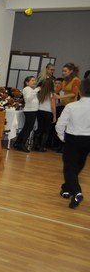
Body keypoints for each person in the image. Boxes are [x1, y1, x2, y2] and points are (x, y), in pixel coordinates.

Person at [55, 78, 90, 209]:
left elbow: (60, 124)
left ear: (80, 91)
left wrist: (62, 137)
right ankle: (66, 188)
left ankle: (76, 192)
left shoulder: (71, 106)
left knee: (70, 167)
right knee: (78, 165)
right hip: (88, 140)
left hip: (72, 139)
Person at [53, 63, 81, 152]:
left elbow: (74, 94)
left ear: (71, 71)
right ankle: (61, 145)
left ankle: (66, 147)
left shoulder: (76, 80)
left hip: (73, 107)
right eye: (63, 71)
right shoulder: (64, 81)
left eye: (65, 71)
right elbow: (56, 90)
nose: (63, 73)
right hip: (65, 106)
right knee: (62, 125)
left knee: (69, 127)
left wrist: (60, 97)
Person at [13, 76, 39, 152]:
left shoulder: (30, 89)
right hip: (30, 111)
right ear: (27, 82)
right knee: (28, 128)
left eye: (35, 80)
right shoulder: (27, 89)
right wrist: (36, 90)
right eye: (32, 80)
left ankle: (18, 143)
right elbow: (28, 99)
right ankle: (21, 144)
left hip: (32, 110)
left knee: (27, 128)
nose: (34, 82)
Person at [34, 77, 57, 152]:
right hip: (48, 113)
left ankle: (35, 145)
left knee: (39, 129)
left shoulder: (40, 93)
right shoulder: (52, 94)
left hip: (39, 111)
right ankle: (42, 147)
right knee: (46, 131)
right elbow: (53, 106)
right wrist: (54, 116)